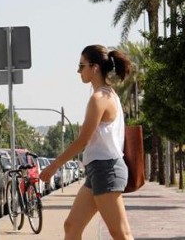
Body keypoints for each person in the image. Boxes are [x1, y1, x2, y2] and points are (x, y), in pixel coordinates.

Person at [40, 44, 134, 240]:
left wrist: (54, 166)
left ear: (95, 68)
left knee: (121, 234)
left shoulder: (100, 98)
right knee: (71, 227)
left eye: (81, 66)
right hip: (97, 170)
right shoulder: (105, 94)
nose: (78, 71)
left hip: (106, 169)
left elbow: (84, 139)